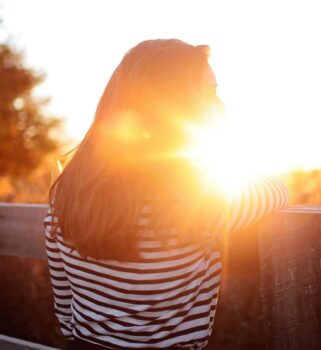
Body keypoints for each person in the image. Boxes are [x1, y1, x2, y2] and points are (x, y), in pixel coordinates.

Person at [43, 39, 289, 350]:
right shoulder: (196, 202)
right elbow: (277, 190)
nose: (223, 107)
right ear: (175, 107)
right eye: (211, 93)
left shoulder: (65, 194)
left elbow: (64, 306)